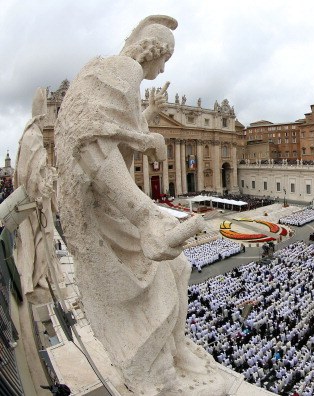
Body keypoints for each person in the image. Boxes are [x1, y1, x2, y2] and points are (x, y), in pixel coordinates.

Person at [55, 15, 227, 394]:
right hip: (107, 209)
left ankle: (175, 350)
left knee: (178, 271)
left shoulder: (116, 77)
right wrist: (145, 213)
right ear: (155, 51)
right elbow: (95, 146)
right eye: (165, 59)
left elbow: (114, 131)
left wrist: (148, 119)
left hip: (108, 205)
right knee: (164, 276)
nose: (164, 68)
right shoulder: (121, 71)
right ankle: (158, 365)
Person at [14, 87, 61, 304]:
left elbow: (35, 169)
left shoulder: (32, 136)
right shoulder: (33, 137)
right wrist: (42, 183)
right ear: (42, 116)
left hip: (39, 200)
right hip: (37, 203)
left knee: (46, 237)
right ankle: (39, 276)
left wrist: (46, 174)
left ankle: (41, 274)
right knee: (44, 236)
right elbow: (27, 174)